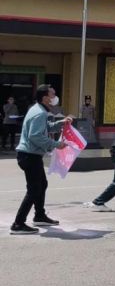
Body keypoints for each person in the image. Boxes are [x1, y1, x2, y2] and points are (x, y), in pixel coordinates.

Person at [11, 84, 70, 234]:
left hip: (30, 155)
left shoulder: (38, 110)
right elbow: (35, 136)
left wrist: (61, 123)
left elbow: (46, 127)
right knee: (34, 189)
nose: (55, 97)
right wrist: (56, 144)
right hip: (29, 156)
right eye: (52, 94)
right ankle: (18, 224)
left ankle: (39, 216)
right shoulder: (40, 113)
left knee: (42, 184)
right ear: (45, 98)